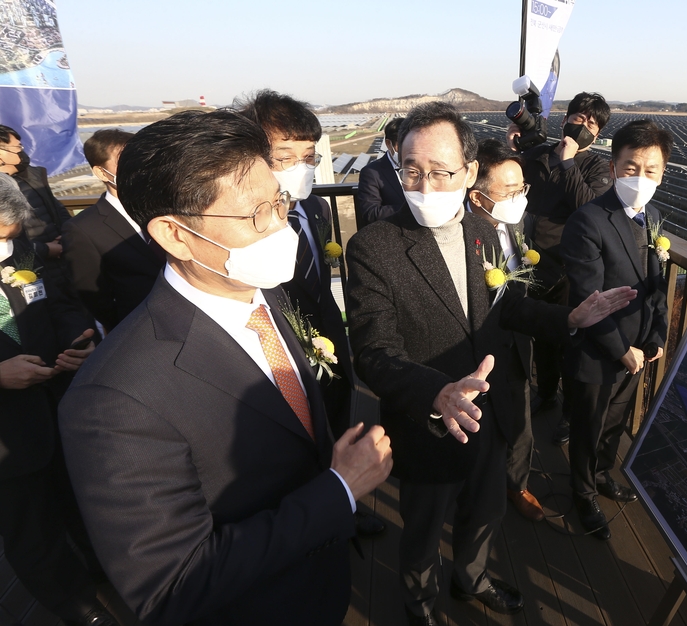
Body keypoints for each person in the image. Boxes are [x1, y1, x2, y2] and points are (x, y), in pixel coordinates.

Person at [58, 110, 393, 626]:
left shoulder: (269, 297)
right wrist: (339, 490)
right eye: (255, 214)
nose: (280, 226)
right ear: (174, 235)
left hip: (321, 586)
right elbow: (173, 583)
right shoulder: (113, 399)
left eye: (279, 202)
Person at [345, 102, 635, 625]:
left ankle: (471, 578)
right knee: (424, 529)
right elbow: (373, 350)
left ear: (470, 171)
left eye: (441, 171)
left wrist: (571, 315)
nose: (425, 184)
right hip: (428, 421)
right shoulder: (373, 248)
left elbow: (509, 309)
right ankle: (421, 605)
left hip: (492, 411)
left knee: (486, 511)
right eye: (412, 170)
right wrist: (435, 391)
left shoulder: (485, 233)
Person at [236, 89, 385, 537]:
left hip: (329, 339)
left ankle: (346, 502)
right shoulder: (242, 224)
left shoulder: (316, 207)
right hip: (281, 352)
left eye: (307, 156)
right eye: (285, 156)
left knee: (340, 423)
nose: (300, 168)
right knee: (300, 441)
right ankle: (317, 518)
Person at [0, 174, 113, 626]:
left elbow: (60, 303)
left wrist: (77, 337)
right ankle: (82, 612)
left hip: (57, 405)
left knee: (80, 500)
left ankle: (104, 569)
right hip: (7, 435)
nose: (5, 250)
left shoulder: (23, 252)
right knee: (32, 529)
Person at [561, 120, 672, 541]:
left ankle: (603, 474)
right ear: (612, 168)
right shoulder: (588, 221)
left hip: (639, 349)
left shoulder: (653, 216)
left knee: (615, 421)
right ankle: (582, 490)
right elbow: (587, 298)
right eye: (631, 167)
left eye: (651, 170)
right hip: (599, 349)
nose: (640, 178)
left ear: (663, 173)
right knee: (590, 425)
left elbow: (657, 287)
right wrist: (620, 348)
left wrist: (656, 335)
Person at [519, 92, 613, 445]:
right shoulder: (540, 155)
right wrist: (515, 149)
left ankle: (570, 415)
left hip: (573, 267)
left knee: (573, 343)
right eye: (578, 119)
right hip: (535, 260)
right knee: (543, 334)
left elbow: (588, 208)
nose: (583, 126)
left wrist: (569, 162)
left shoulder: (596, 167)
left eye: (591, 123)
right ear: (565, 120)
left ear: (599, 132)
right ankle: (545, 393)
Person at [465, 139, 544, 522]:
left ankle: (518, 484)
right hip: (479, 349)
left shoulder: (514, 223)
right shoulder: (462, 234)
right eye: (509, 191)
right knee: (482, 427)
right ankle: (480, 489)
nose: (519, 198)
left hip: (518, 341)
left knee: (521, 417)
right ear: (477, 197)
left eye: (522, 188)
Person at [62, 129, 164, 331]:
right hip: (139, 327)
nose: (136, 167)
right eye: (124, 160)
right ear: (101, 172)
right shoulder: (82, 229)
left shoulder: (165, 207)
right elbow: (93, 294)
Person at [0, 125, 68, 262]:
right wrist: (45, 249)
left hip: (60, 257)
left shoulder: (34, 177)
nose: (22, 152)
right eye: (18, 148)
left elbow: (58, 211)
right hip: (23, 265)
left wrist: (69, 234)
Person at [355, 116, 406, 229]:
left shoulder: (422, 167)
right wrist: (411, 208)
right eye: (401, 145)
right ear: (388, 144)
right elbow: (371, 213)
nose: (406, 150)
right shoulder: (372, 172)